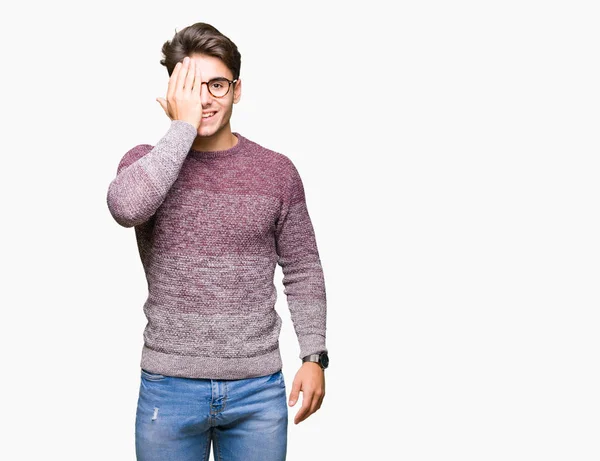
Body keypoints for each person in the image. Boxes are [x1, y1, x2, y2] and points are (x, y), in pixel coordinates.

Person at [106, 22, 329, 461]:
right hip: (169, 388)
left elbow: (303, 268)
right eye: (191, 86)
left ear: (237, 89)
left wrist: (314, 355)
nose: (205, 98)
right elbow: (126, 208)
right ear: (172, 89)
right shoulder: (143, 164)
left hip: (257, 390)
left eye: (217, 84)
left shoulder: (276, 171)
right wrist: (181, 128)